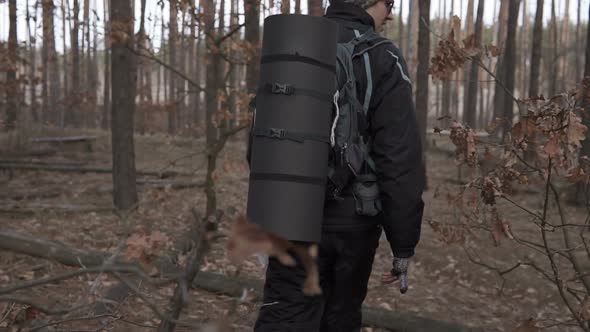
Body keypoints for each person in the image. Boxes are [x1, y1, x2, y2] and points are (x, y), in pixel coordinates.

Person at [254, 0, 425, 330]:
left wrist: (268, 217)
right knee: (339, 318)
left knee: (284, 315)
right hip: (353, 224)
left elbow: (261, 139)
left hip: (289, 217)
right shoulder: (381, 56)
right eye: (388, 3)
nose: (391, 13)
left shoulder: (294, 43)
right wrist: (403, 244)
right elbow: (399, 158)